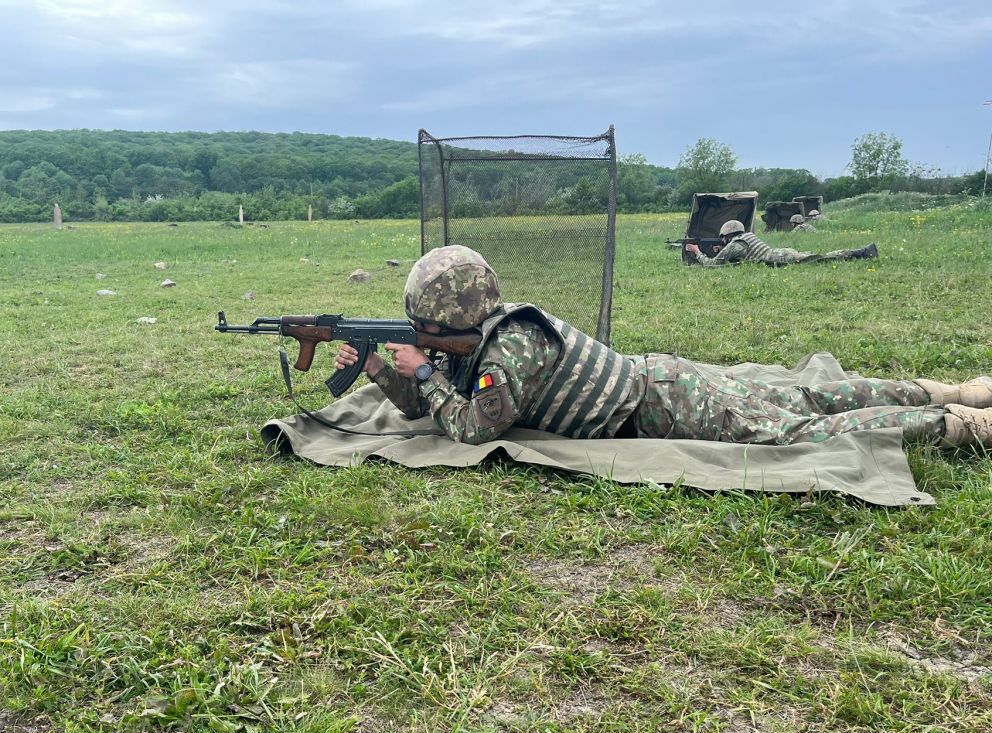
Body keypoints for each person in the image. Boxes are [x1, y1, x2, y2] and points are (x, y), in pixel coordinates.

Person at [334, 245, 992, 448]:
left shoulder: (510, 351)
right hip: (663, 380)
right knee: (804, 394)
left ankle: (961, 422)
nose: (423, 343)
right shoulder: (489, 331)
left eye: (425, 331)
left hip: (668, 407)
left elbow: (474, 427)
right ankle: (949, 390)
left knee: (800, 429)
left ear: (452, 320)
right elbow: (429, 406)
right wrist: (381, 369)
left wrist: (423, 375)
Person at [688, 220, 873, 266]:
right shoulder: (746, 237)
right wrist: (724, 248)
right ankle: (859, 253)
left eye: (723, 238)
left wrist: (697, 252)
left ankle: (861, 253)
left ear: (728, 235)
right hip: (781, 253)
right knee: (816, 257)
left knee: (820, 259)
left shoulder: (736, 244)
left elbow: (713, 265)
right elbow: (740, 254)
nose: (722, 240)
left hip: (779, 257)